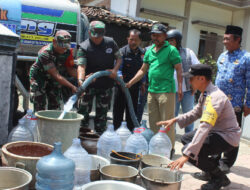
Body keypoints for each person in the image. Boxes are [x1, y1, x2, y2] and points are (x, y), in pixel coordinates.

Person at [157, 64, 241, 190]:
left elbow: (205, 127)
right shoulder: (206, 93)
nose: (189, 81)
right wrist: (175, 119)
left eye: (191, 78)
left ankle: (218, 178)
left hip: (227, 137)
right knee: (186, 139)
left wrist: (187, 155)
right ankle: (210, 171)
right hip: (217, 133)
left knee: (189, 151)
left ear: (201, 79)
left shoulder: (214, 97)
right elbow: (195, 112)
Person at [194, 25, 250, 180]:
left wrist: (248, 103)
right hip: (216, 104)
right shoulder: (222, 56)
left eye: (227, 39)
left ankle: (226, 163)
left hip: (235, 106)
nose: (224, 42)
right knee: (213, 133)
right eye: (224, 38)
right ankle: (213, 162)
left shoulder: (246, 58)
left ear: (237, 40)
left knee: (231, 135)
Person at [126, 23, 183, 157]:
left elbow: (179, 69)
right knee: (154, 123)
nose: (155, 37)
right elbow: (142, 70)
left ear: (164, 36)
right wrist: (130, 82)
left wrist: (180, 88)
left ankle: (169, 150)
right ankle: (157, 148)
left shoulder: (171, 50)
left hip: (166, 91)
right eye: (153, 35)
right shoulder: (149, 51)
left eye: (158, 35)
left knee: (167, 123)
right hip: (152, 91)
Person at [77, 20, 122, 135]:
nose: (97, 39)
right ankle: (82, 135)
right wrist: (81, 81)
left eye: (99, 36)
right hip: (89, 84)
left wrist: (114, 70)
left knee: (102, 114)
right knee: (83, 113)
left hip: (105, 84)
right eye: (94, 36)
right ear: (89, 32)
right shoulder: (84, 47)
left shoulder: (111, 43)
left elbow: (119, 58)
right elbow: (81, 66)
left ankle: (100, 135)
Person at [29, 30, 78, 112]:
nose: (64, 48)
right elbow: (55, 74)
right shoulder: (45, 53)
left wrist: (81, 78)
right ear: (54, 42)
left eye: (66, 44)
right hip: (39, 77)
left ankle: (53, 123)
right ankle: (39, 123)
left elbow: (70, 69)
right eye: (62, 44)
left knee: (55, 104)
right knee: (39, 104)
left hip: (54, 78)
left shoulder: (68, 52)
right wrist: (72, 86)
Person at [167, 29, 200, 133]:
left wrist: (194, 86)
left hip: (187, 91)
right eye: (167, 40)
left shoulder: (188, 53)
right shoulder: (165, 53)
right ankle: (171, 135)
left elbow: (197, 69)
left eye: (171, 40)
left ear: (178, 41)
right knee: (172, 115)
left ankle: (189, 136)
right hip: (171, 91)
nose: (169, 43)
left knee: (188, 114)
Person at [113, 29, 145, 131]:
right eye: (131, 39)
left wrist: (143, 83)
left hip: (134, 88)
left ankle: (130, 134)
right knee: (118, 113)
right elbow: (118, 69)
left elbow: (144, 70)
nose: (133, 42)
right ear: (128, 39)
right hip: (121, 87)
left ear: (140, 41)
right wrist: (120, 79)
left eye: (136, 40)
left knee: (131, 114)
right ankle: (116, 134)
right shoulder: (122, 52)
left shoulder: (142, 53)